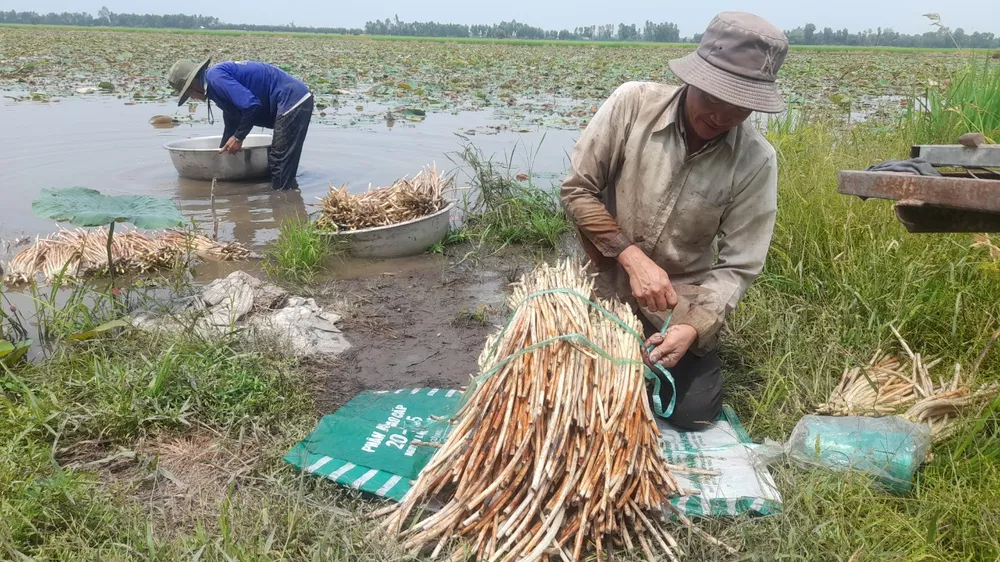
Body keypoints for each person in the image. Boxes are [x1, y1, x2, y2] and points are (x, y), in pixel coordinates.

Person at [560, 12, 788, 430]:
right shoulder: (633, 104)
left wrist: (693, 328)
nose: (721, 116)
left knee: (694, 413)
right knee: (565, 389)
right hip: (601, 278)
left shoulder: (757, 160)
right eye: (714, 98)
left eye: (739, 108)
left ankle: (650, 358)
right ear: (693, 80)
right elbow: (578, 190)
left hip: (675, 301)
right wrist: (631, 257)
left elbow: (738, 266)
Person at [168, 58, 313, 191]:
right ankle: (288, 196)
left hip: (293, 99)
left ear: (193, 83)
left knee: (279, 161)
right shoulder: (214, 84)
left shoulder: (215, 77)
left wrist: (238, 138)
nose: (193, 98)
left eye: (189, 94)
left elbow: (251, 106)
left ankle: (282, 203)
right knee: (282, 163)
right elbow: (232, 118)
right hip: (291, 100)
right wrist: (222, 151)